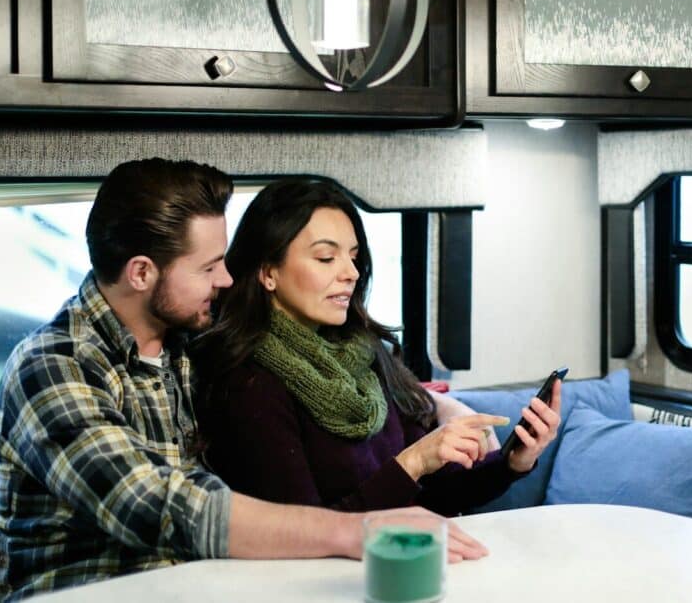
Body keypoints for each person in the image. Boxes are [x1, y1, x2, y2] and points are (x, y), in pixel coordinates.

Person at [0, 159, 486, 602]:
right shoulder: (53, 366)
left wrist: (443, 406)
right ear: (141, 273)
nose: (226, 279)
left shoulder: (183, 338)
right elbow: (162, 507)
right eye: (207, 267)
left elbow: (339, 365)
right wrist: (355, 531)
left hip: (200, 584)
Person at [193, 178, 562, 514]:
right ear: (267, 272)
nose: (350, 272)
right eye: (326, 257)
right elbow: (303, 537)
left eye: (353, 257)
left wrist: (513, 462)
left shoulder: (363, 354)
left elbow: (431, 499)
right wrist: (414, 462)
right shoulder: (249, 385)